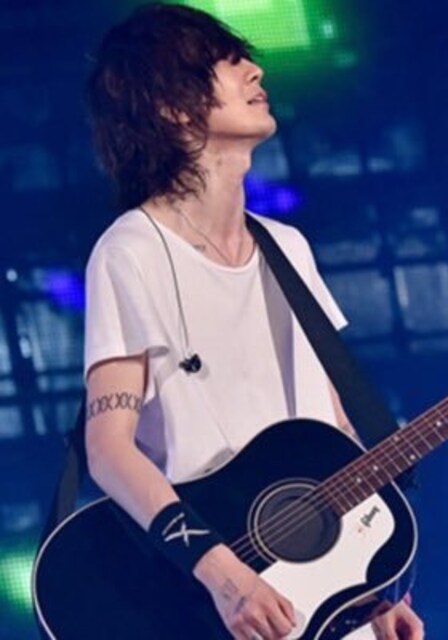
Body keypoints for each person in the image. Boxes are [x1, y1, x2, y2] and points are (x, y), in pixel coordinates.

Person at [84, 3, 424, 639]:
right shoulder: (130, 251)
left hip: (327, 598)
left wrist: (374, 590)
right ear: (171, 106)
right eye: (228, 60)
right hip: (224, 603)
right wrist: (226, 577)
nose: (255, 71)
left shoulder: (287, 248)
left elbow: (336, 430)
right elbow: (108, 449)